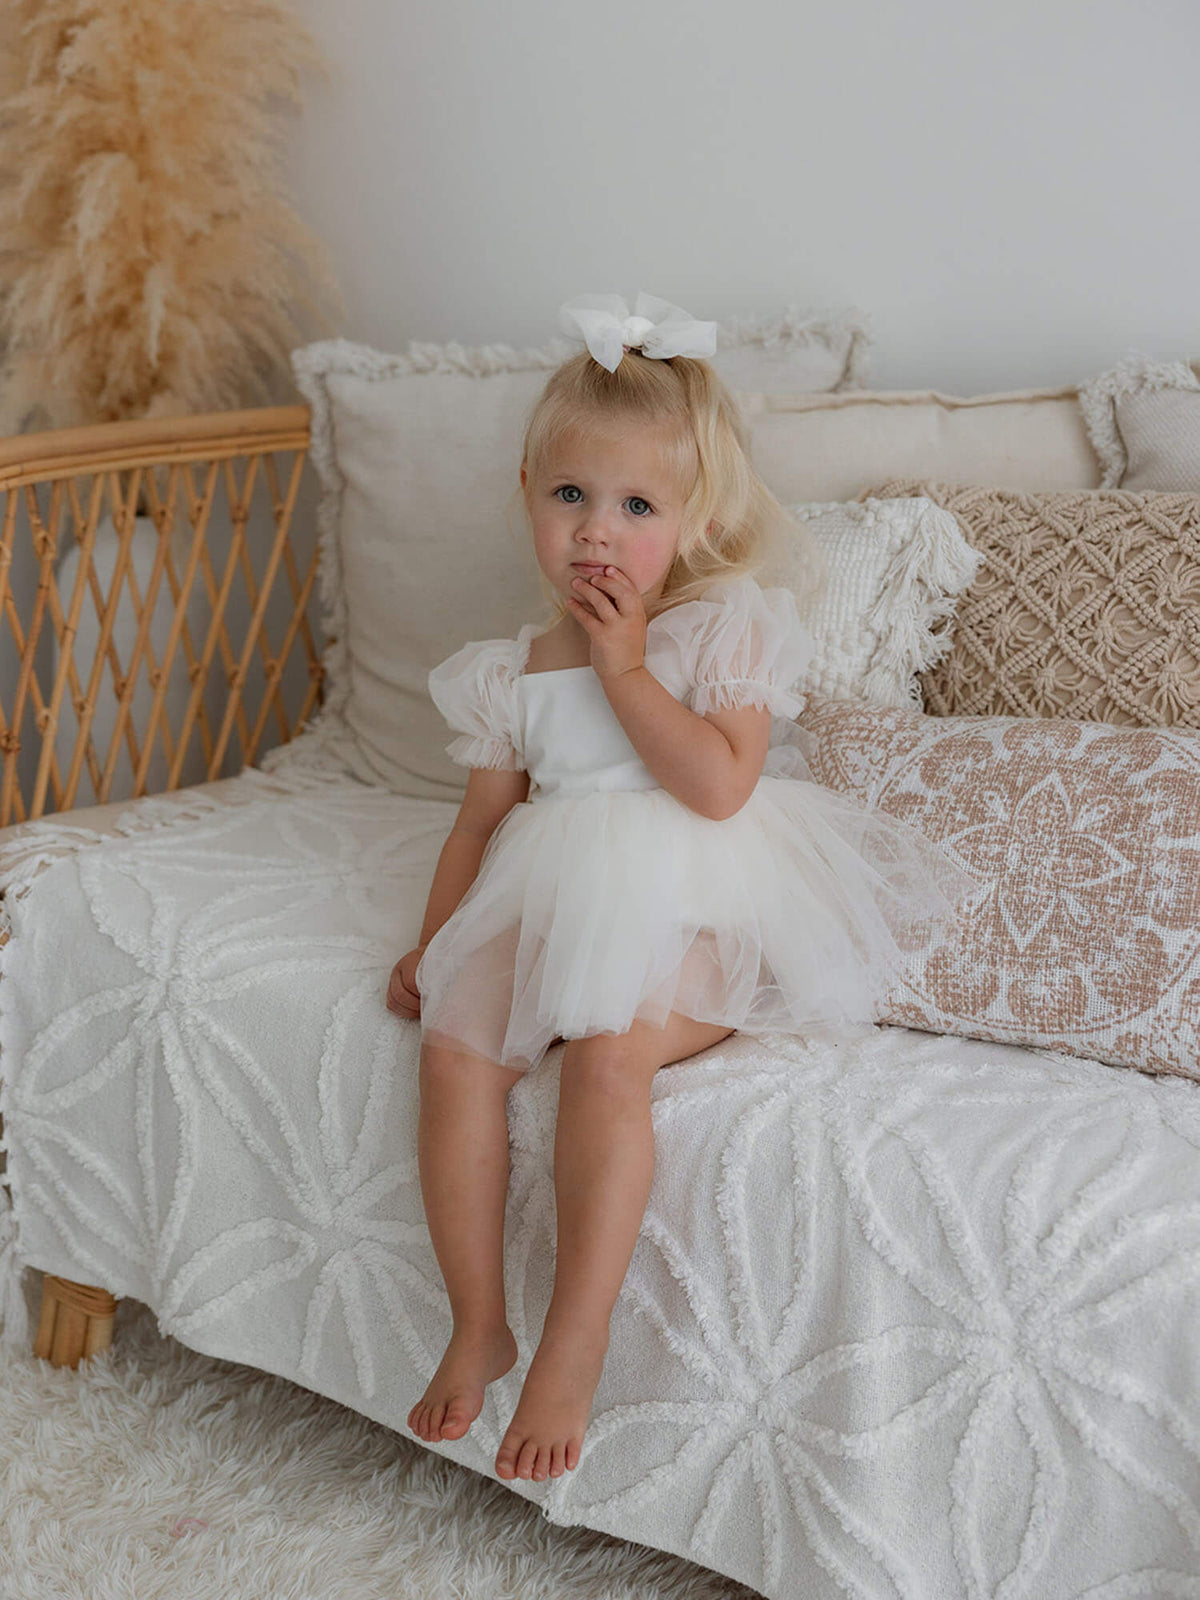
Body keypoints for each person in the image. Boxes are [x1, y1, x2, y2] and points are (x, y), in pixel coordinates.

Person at [384, 291, 981, 1487]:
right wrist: (435, 942)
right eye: (570, 497)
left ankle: (576, 1338)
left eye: (637, 506)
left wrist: (624, 666)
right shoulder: (519, 660)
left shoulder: (721, 630)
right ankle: (477, 1315)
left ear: (695, 518)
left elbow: (717, 786)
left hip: (711, 896)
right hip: (555, 890)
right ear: (528, 495)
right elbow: (485, 820)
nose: (597, 533)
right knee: (455, 1044)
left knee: (607, 1059)